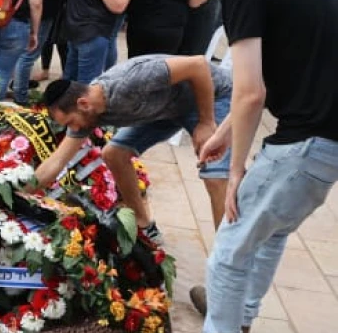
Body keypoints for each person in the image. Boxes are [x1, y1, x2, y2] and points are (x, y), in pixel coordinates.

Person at [159, 0, 338, 333]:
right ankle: (235, 314)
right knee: (271, 232)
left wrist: (235, 169)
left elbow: (249, 91)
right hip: (326, 134)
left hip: (307, 137)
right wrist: (223, 134)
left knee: (232, 244)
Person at [36, 55, 231, 244]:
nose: (75, 129)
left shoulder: (129, 82)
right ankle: (144, 224)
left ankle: (227, 256)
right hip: (167, 109)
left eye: (71, 122)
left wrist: (206, 121)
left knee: (215, 176)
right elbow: (57, 161)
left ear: (83, 104)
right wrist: (15, 195)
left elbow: (198, 65)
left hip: (212, 96)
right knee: (114, 154)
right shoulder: (87, 113)